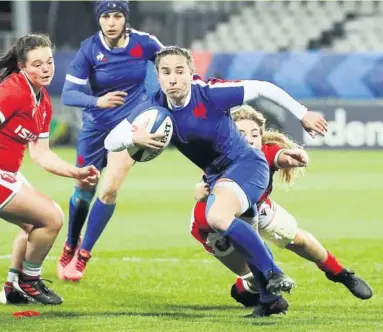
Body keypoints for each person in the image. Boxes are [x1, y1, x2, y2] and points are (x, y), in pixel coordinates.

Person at [104, 46, 328, 317]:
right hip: (218, 176)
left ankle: (273, 273)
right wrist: (132, 138)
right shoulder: (153, 107)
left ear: (191, 73)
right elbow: (110, 139)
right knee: (242, 236)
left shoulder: (211, 93)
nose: (173, 78)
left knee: (218, 217)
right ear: (158, 76)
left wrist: (303, 113)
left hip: (247, 165)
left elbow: (264, 87)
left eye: (179, 71)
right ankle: (270, 300)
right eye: (165, 72)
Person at [190, 105, 373, 308]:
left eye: (254, 134)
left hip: (259, 209)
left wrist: (292, 157)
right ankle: (247, 289)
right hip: (216, 228)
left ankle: (339, 273)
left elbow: (280, 155)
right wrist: (201, 192)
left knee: (299, 240)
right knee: (253, 274)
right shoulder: (218, 156)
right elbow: (206, 192)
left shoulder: (263, 153)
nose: (250, 139)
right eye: (241, 133)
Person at [58, 0, 163, 281]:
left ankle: (83, 256)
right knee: (84, 189)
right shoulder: (89, 49)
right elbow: (69, 94)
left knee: (110, 190)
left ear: (125, 18)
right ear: (99, 20)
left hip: (130, 127)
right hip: (95, 128)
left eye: (118, 15)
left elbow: (172, 64)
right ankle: (70, 243)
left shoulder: (144, 43)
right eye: (106, 16)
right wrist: (97, 100)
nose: (112, 21)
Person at [0, 34, 99, 305]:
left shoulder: (41, 101)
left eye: (49, 62)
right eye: (37, 64)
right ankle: (30, 281)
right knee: (52, 218)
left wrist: (76, 172)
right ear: (22, 66)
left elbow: (41, 154)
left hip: (7, 174)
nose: (46, 69)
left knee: (34, 224)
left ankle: (13, 288)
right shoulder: (12, 90)